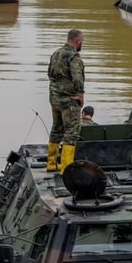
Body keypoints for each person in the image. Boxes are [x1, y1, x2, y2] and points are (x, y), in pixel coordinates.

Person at [47, 29, 85, 172]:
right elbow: (77, 78)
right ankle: (66, 168)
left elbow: (50, 74)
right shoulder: (73, 57)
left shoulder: (56, 54)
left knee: (56, 128)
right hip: (69, 99)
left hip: (54, 98)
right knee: (71, 133)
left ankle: (51, 164)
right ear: (78, 41)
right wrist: (80, 95)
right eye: (82, 42)